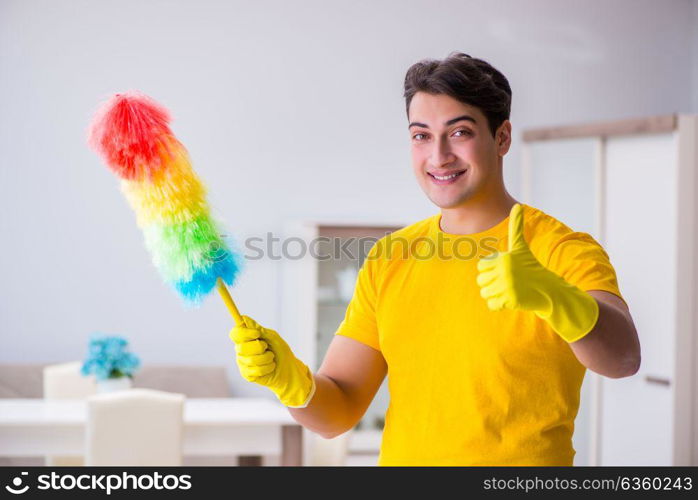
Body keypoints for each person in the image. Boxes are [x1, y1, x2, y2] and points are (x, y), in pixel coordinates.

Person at [229, 52, 641, 466]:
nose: (438, 155)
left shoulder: (560, 248)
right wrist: (290, 382)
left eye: (459, 132)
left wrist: (556, 297)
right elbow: (339, 410)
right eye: (421, 135)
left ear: (502, 138)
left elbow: (624, 358)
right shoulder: (392, 257)